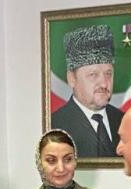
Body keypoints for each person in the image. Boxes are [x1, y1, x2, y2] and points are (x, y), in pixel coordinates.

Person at [51, 25, 124, 158]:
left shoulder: (123, 121)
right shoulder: (55, 126)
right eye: (93, 74)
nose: (104, 83)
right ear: (72, 79)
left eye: (108, 74)